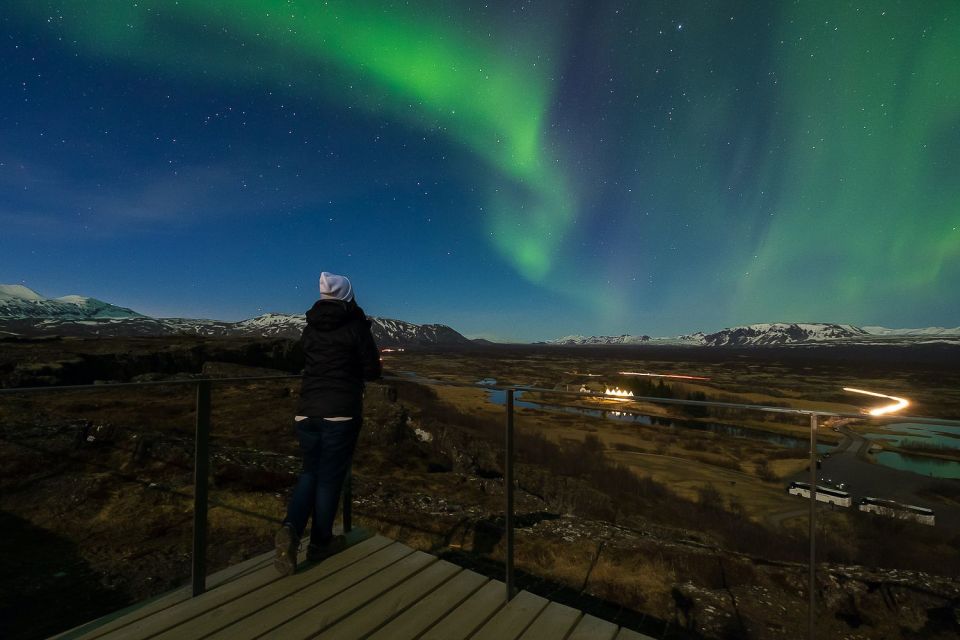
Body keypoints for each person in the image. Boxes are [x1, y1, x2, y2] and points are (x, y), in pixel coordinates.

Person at [275, 272, 382, 575]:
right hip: (340, 412)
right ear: (348, 295)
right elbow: (372, 370)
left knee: (309, 472)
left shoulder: (309, 329)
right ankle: (320, 542)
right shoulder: (355, 327)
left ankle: (290, 528)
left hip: (306, 412)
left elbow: (302, 361)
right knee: (329, 479)